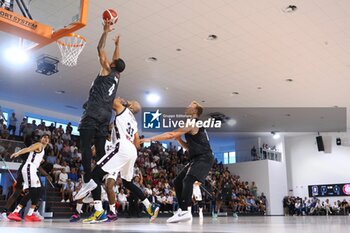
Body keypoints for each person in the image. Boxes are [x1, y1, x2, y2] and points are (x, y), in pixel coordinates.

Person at [74, 98, 159, 223]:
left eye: (130, 100)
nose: (124, 99)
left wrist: (93, 102)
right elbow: (137, 144)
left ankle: (99, 212)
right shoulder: (134, 121)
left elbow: (109, 98)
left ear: (130, 105)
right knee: (127, 183)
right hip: (132, 151)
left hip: (121, 147)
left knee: (95, 176)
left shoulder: (123, 109)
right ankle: (149, 205)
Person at [141, 101, 215, 223]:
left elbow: (170, 134)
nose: (187, 106)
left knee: (188, 180)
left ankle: (185, 211)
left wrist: (150, 139)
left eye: (191, 105)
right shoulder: (194, 125)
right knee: (178, 181)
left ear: (195, 111)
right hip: (196, 158)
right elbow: (188, 147)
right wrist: (179, 139)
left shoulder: (192, 123)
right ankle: (182, 210)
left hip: (204, 157)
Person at [78, 20, 125, 183]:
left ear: (112, 65)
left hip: (94, 111)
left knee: (84, 146)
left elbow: (100, 49)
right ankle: (101, 176)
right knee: (99, 150)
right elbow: (116, 59)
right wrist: (117, 44)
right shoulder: (117, 75)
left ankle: (87, 178)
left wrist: (105, 31)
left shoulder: (106, 69)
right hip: (106, 115)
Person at [7, 134, 50, 222]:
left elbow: (34, 155)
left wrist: (39, 160)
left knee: (38, 190)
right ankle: (15, 212)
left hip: (33, 169)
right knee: (33, 191)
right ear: (41, 139)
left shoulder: (42, 150)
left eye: (47, 138)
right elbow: (27, 149)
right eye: (44, 137)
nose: (46, 139)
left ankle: (30, 214)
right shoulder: (39, 144)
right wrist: (17, 153)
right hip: (29, 168)